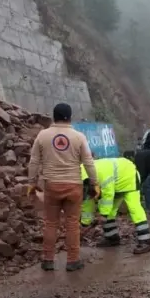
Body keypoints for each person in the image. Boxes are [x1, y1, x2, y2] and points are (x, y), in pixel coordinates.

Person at [28, 103, 99, 272]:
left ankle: (48, 260)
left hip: (51, 185)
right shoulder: (79, 137)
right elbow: (88, 162)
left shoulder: (43, 135)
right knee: (72, 223)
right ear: (70, 117)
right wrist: (95, 182)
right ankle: (73, 260)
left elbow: (34, 161)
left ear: (54, 117)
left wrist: (31, 182)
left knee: (50, 223)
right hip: (74, 185)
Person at [80, 157, 150, 254]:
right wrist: (84, 223)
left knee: (134, 208)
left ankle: (146, 241)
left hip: (129, 177)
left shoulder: (101, 174)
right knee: (109, 212)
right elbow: (87, 203)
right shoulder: (81, 180)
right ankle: (112, 238)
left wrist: (103, 215)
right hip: (116, 183)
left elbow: (108, 195)